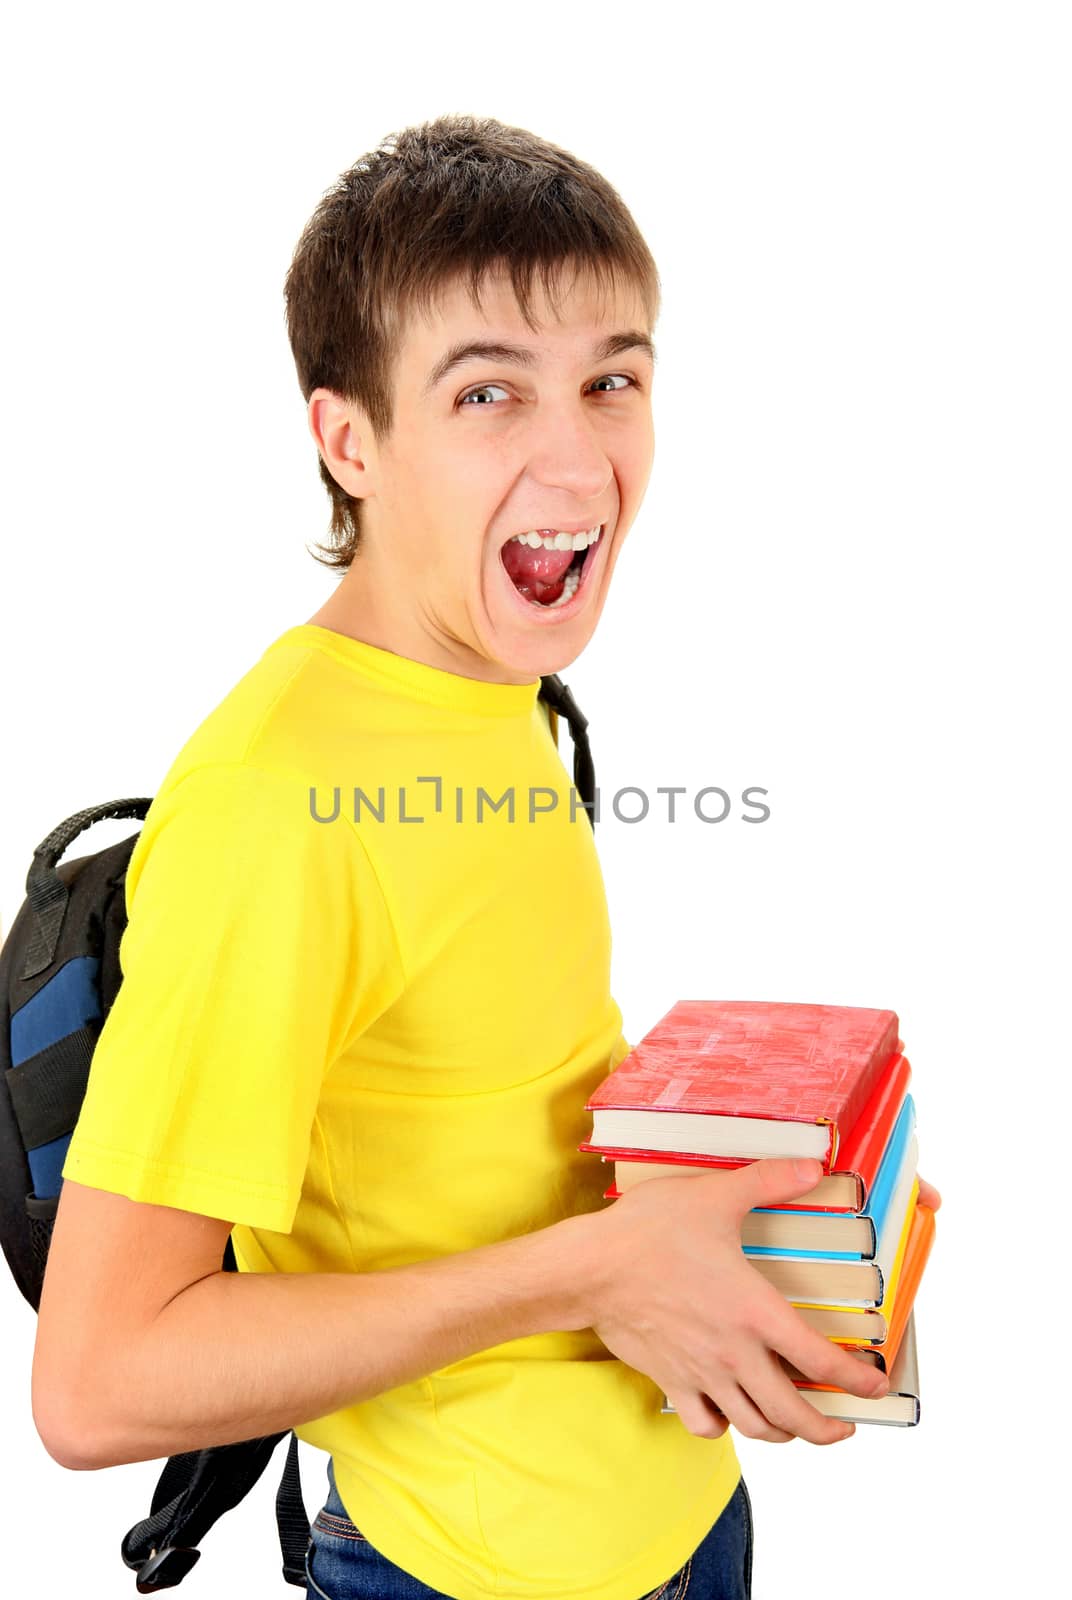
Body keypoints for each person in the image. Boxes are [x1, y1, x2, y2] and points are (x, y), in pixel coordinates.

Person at [32, 113, 942, 1600]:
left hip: (680, 1516)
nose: (579, 460)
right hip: (468, 1573)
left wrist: (784, 1224)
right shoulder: (279, 798)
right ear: (350, 440)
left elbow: (482, 1113)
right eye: (487, 395)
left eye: (612, 381)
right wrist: (598, 1273)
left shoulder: (488, 677)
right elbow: (97, 1383)